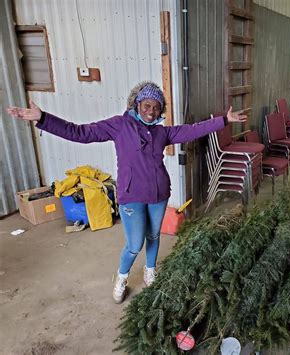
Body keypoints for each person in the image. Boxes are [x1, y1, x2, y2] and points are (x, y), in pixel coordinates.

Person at [7, 81, 246, 304]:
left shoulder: (162, 133)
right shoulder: (120, 126)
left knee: (153, 236)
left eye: (156, 107)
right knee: (134, 244)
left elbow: (192, 130)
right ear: (136, 104)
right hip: (131, 195)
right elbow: (79, 133)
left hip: (159, 194)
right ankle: (122, 277)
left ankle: (150, 271)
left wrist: (224, 120)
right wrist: (43, 118)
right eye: (146, 106)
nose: (151, 111)